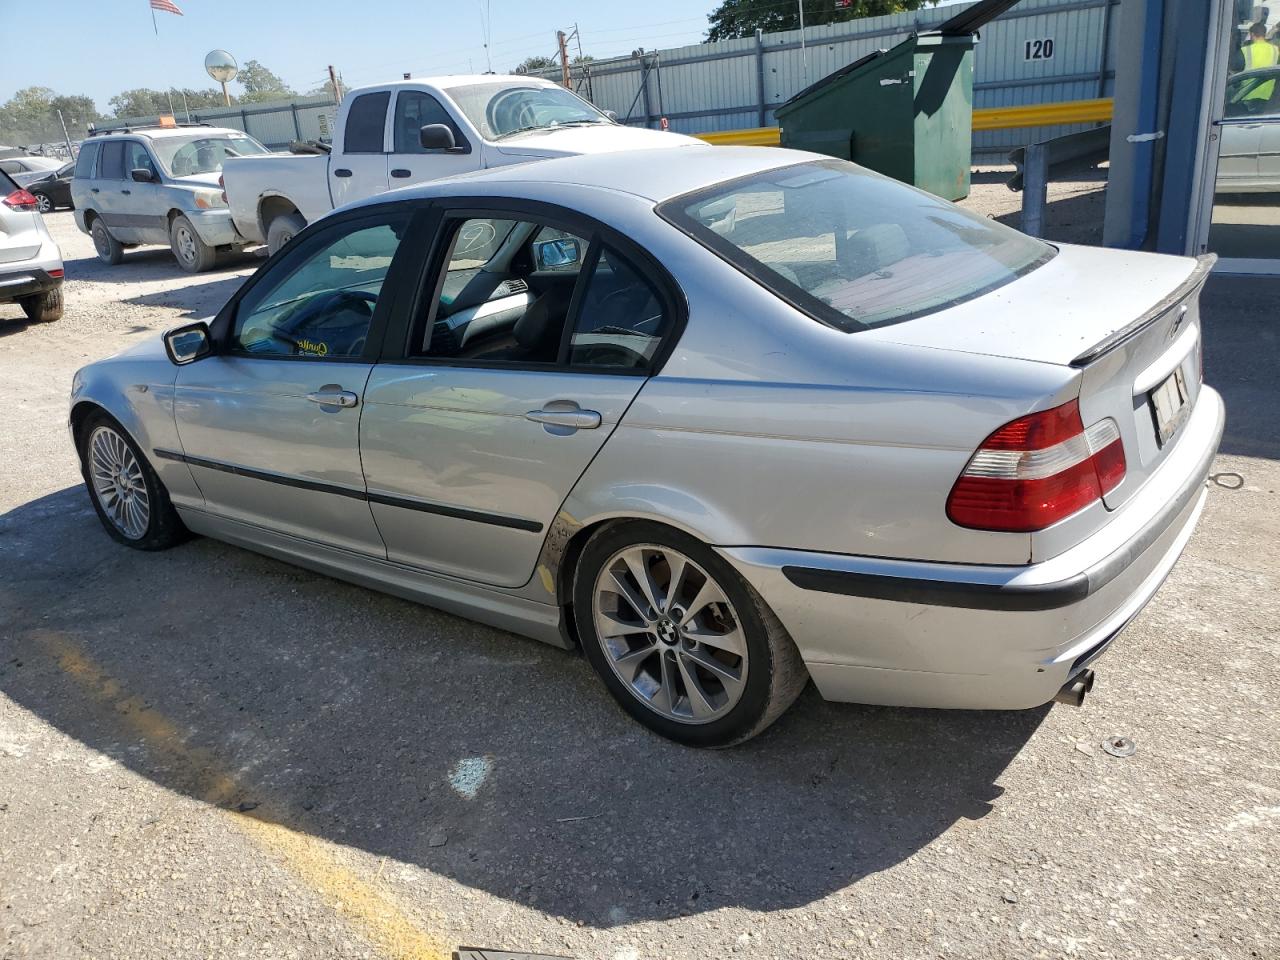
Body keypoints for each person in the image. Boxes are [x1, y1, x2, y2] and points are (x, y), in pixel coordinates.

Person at [1239, 22, 1279, 107]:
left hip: (1246, 95)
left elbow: (1235, 68)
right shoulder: (1275, 50)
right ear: (1264, 34)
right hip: (1267, 96)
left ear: (1252, 34)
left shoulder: (1245, 50)